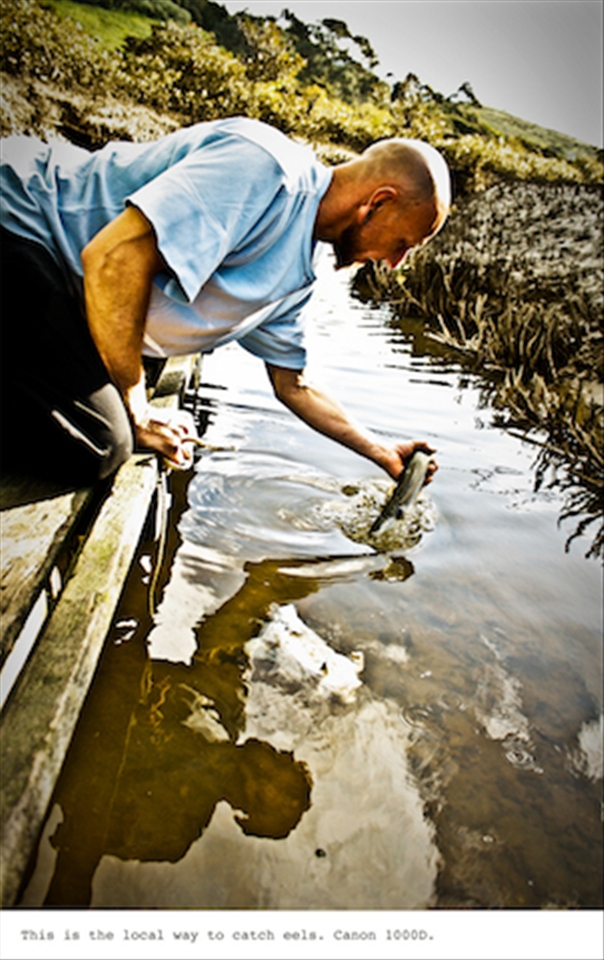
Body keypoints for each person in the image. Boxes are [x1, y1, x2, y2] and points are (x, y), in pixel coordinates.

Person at [0, 116, 449, 483]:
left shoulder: (298, 273)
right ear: (378, 203)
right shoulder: (264, 166)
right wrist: (137, 408)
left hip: (66, 298)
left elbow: (294, 384)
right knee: (103, 440)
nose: (395, 262)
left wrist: (381, 451)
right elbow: (114, 259)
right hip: (23, 229)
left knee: (98, 432)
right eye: (403, 242)